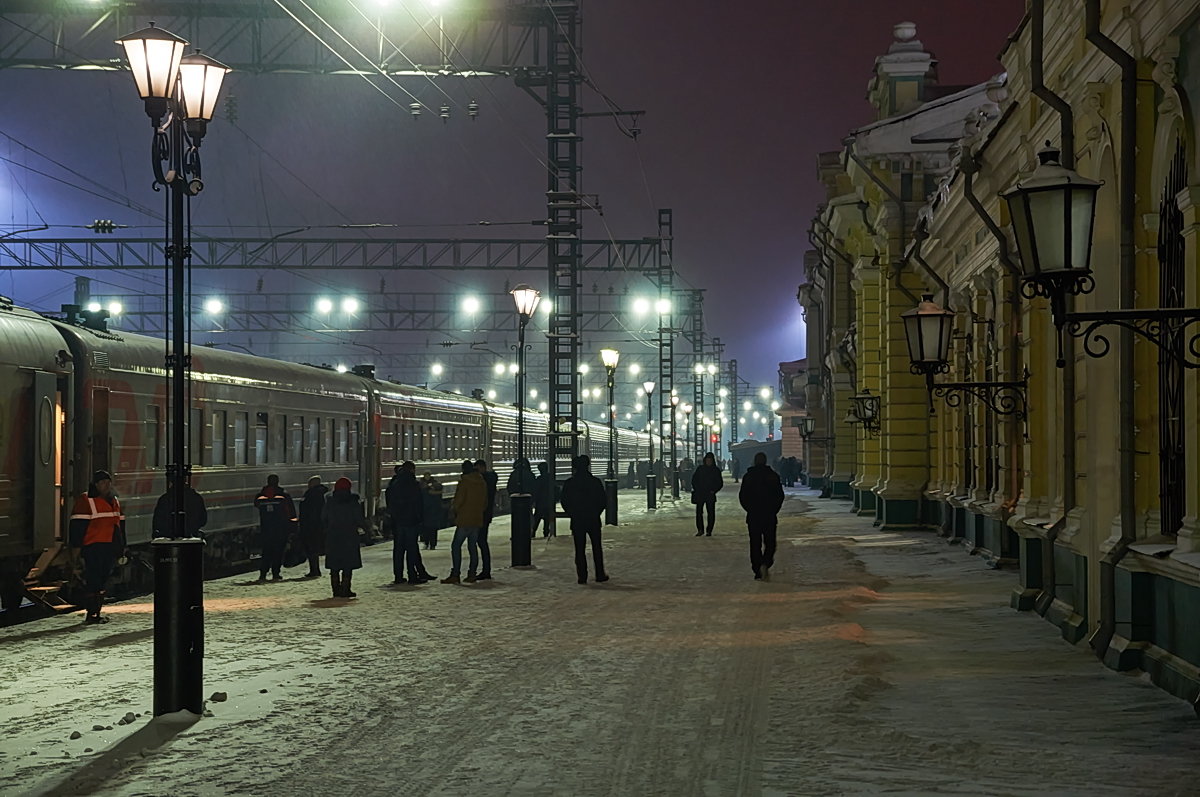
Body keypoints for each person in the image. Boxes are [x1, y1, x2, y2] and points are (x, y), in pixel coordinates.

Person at [69, 470, 126, 624]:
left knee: (102, 581)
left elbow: (119, 526)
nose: (106, 485)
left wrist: (121, 547)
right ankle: (91, 614)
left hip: (108, 547)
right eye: (102, 483)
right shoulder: (86, 500)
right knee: (93, 581)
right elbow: (77, 527)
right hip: (93, 547)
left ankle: (96, 612)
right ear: (95, 485)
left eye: (108, 482)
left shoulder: (114, 501)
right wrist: (76, 549)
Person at [560, 454, 609, 585]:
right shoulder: (595, 482)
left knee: (579, 549)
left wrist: (572, 513)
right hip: (593, 519)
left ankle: (582, 576)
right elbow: (603, 501)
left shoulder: (570, 483)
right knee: (597, 548)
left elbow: (564, 501)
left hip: (577, 520)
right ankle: (600, 574)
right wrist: (595, 513)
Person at [738, 451, 785, 580]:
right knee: (770, 543)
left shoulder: (748, 476)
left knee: (755, 543)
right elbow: (779, 496)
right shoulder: (773, 476)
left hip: (753, 516)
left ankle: (757, 568)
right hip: (769, 515)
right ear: (765, 461)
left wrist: (750, 509)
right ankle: (765, 562)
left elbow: (743, 496)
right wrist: (774, 509)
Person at [322, 477, 370, 597]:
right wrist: (366, 530)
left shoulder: (330, 502)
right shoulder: (353, 502)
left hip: (333, 536)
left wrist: (326, 529)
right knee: (348, 564)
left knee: (334, 564)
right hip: (349, 536)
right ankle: (345, 588)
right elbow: (359, 519)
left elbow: (323, 518)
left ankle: (335, 590)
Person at [443, 460, 487, 584]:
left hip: (464, 519)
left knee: (456, 545)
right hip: (477, 519)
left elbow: (459, 500)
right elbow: (485, 503)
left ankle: (455, 574)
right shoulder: (482, 482)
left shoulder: (464, 482)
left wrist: (454, 509)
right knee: (472, 547)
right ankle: (472, 573)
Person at [386, 462, 429, 585]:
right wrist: (420, 519)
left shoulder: (394, 484)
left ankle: (398, 576)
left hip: (398, 521)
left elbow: (390, 500)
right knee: (411, 549)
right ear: (412, 470)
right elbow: (418, 504)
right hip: (411, 521)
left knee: (398, 550)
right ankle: (412, 576)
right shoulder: (414, 484)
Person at [254, 474, 296, 582]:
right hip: (280, 529)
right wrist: (292, 527)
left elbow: (257, 505)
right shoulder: (283, 495)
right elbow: (290, 513)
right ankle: (275, 573)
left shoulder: (260, 496)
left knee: (266, 552)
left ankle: (263, 574)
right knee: (278, 552)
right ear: (278, 482)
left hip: (266, 529)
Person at [151, 471, 207, 538]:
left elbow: (157, 522)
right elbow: (203, 520)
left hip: (169, 538)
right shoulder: (197, 498)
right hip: (191, 537)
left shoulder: (164, 499)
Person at [298, 476, 328, 578]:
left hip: (311, 526)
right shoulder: (324, 494)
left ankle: (314, 570)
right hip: (320, 526)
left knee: (312, 550)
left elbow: (307, 511)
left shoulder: (311, 494)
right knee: (316, 549)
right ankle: (316, 570)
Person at [475, 459, 499, 580]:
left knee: (480, 541)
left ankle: (485, 570)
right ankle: (485, 570)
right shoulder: (490, 480)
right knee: (481, 541)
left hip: (482, 515)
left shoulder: (485, 481)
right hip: (485, 515)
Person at [690, 451, 724, 536]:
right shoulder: (700, 469)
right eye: (707, 460)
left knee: (711, 513)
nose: (708, 462)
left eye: (710, 460)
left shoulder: (715, 470)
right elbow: (694, 480)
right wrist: (697, 489)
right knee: (699, 513)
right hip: (700, 494)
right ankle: (700, 529)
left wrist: (714, 490)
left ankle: (709, 530)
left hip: (710, 494)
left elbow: (720, 483)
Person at [532, 461, 560, 537]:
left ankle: (533, 532)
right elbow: (556, 489)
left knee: (537, 518)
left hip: (540, 502)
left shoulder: (539, 479)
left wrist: (534, 500)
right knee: (547, 519)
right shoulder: (551, 478)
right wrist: (555, 499)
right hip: (549, 502)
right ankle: (546, 532)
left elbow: (535, 490)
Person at [420, 475, 446, 550]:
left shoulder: (424, 488)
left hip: (428, 511)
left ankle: (428, 543)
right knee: (432, 528)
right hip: (431, 511)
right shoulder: (427, 487)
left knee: (428, 528)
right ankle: (431, 543)